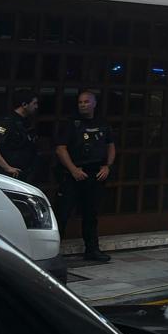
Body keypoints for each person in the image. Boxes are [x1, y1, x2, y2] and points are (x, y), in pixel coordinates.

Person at [54, 90, 115, 262]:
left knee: (91, 215)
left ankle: (92, 250)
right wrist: (73, 169)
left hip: (94, 175)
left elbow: (110, 145)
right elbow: (61, 148)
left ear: (94, 103)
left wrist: (107, 166)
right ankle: (52, 251)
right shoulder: (71, 124)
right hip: (73, 176)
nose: (83, 105)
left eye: (86, 102)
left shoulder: (102, 123)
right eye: (80, 102)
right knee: (62, 214)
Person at [0, 89, 39, 183]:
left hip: (23, 175)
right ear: (24, 105)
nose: (36, 107)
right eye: (34, 103)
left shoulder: (26, 122)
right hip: (8, 178)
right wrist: (7, 168)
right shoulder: (7, 123)